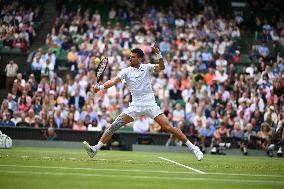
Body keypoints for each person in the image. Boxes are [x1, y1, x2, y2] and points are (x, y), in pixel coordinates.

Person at [83, 43, 203, 160]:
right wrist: (101, 87)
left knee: (168, 127)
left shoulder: (147, 67)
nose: (131, 58)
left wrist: (159, 54)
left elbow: (162, 67)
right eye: (130, 56)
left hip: (150, 105)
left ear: (140, 59)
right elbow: (113, 81)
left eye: (133, 57)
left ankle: (194, 148)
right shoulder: (126, 71)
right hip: (135, 106)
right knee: (114, 125)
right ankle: (95, 149)